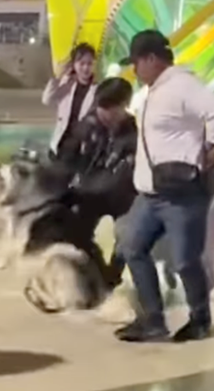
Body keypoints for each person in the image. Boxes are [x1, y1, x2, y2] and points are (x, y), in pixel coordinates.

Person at [115, 30, 214, 342]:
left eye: (136, 63)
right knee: (132, 247)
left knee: (184, 261)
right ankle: (153, 320)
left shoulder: (182, 85)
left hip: (181, 195)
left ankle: (200, 319)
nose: (134, 71)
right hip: (151, 194)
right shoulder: (154, 89)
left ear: (152, 59)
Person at [63, 77, 138, 288]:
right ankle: (96, 274)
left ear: (124, 105)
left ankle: (112, 277)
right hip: (88, 193)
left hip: (121, 197)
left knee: (129, 239)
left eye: (114, 109)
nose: (106, 114)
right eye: (103, 108)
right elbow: (67, 161)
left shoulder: (132, 131)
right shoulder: (85, 127)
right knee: (76, 234)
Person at [42, 43, 98, 166]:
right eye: (81, 63)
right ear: (74, 64)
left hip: (81, 148)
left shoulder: (97, 89)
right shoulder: (66, 83)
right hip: (61, 142)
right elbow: (47, 100)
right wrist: (58, 77)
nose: (85, 68)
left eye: (89, 63)